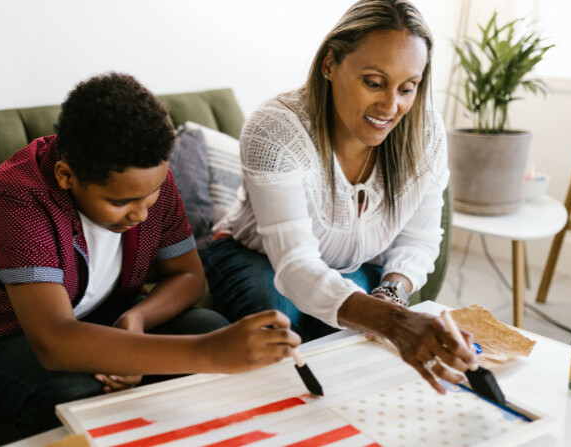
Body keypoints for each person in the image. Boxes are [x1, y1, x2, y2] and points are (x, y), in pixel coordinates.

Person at [0, 73, 300, 437]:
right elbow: (55, 341)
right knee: (77, 387)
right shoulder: (18, 197)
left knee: (207, 322)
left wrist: (135, 320)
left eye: (152, 194)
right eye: (121, 201)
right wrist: (207, 353)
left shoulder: (148, 179)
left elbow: (187, 276)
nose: (142, 212)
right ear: (65, 176)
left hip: (97, 315)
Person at [201, 0, 476, 394]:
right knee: (280, 318)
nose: (390, 106)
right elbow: (295, 265)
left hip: (351, 265)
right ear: (330, 64)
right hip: (256, 255)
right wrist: (390, 320)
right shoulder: (275, 129)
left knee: (354, 336)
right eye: (374, 82)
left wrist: (391, 293)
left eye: (407, 88)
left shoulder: (425, 131)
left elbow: (419, 240)